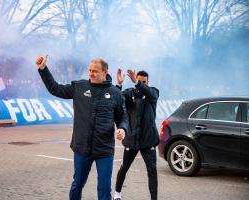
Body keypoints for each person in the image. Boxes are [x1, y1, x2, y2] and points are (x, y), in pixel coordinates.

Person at [35, 55, 128, 200]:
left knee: (104, 190)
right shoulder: (79, 87)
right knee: (77, 185)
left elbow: (122, 117)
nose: (90, 73)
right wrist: (43, 69)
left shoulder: (115, 93)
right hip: (81, 148)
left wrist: (122, 128)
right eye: (89, 70)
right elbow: (55, 89)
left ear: (104, 72)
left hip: (104, 150)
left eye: (95, 71)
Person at [113, 69, 159, 200]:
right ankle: (117, 194)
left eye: (144, 82)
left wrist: (137, 82)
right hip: (131, 140)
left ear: (147, 82)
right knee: (124, 168)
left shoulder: (153, 92)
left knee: (152, 171)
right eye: (139, 80)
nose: (141, 83)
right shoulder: (129, 93)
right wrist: (119, 85)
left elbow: (151, 93)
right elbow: (116, 100)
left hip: (148, 140)